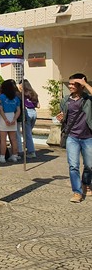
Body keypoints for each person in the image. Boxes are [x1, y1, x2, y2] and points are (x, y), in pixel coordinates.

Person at [57, 73, 92, 203]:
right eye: (70, 83)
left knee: (89, 165)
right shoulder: (65, 100)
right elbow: (64, 116)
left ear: (81, 86)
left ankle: (86, 183)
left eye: (73, 84)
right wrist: (61, 118)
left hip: (88, 137)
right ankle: (77, 192)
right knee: (73, 165)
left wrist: (86, 84)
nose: (70, 86)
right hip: (72, 137)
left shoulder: (88, 99)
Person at [0, 79, 22, 163]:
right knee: (13, 139)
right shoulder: (16, 97)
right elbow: (18, 110)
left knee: (3, 139)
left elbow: (1, 109)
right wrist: (14, 119)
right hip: (13, 115)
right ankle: (14, 155)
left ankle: (2, 157)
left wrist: (5, 119)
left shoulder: (2, 96)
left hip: (4, 117)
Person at [18, 79, 39, 158]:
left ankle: (31, 152)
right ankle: (28, 148)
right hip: (34, 112)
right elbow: (38, 105)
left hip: (27, 112)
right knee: (28, 132)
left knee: (27, 134)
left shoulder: (22, 94)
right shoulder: (33, 93)